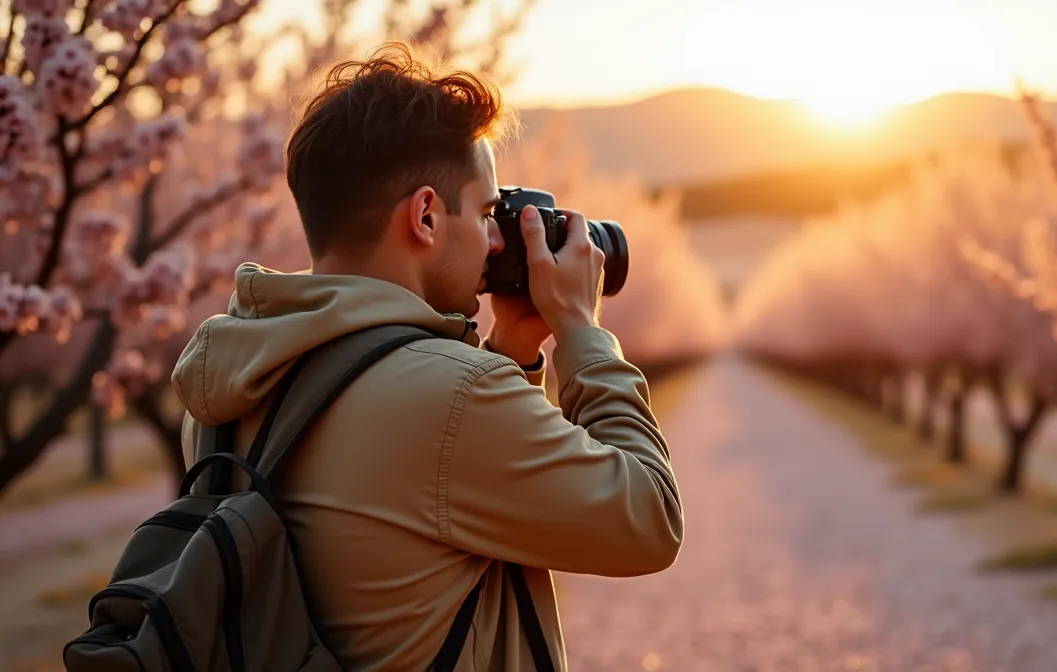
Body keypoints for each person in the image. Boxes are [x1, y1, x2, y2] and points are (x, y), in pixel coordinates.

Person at [169, 42, 684, 671]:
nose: (496, 239)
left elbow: (409, 529)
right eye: (489, 211)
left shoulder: (235, 373)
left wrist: (511, 353)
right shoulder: (451, 400)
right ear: (426, 217)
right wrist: (580, 328)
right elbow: (649, 520)